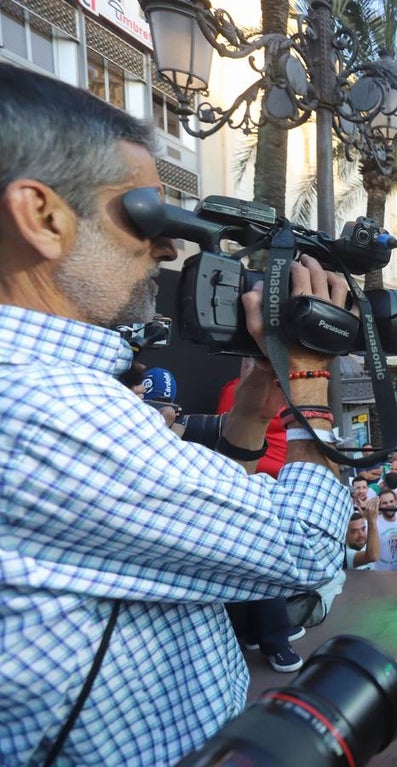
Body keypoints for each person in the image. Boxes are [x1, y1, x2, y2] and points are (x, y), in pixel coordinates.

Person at [0, 64, 353, 765]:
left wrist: (256, 395)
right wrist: (313, 374)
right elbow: (303, 549)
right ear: (41, 216)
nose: (165, 247)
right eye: (145, 216)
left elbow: (174, 525)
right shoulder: (49, 408)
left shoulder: (56, 393)